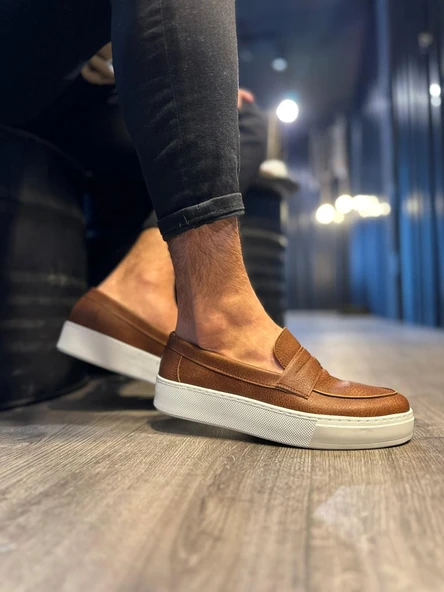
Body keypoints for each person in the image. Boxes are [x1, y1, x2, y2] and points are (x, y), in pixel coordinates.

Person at [0, 0, 413, 449]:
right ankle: (222, 316)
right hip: (26, 67)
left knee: (245, 120)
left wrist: (195, 88)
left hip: (82, 91)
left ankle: (144, 282)